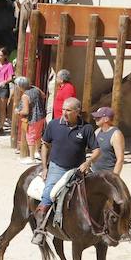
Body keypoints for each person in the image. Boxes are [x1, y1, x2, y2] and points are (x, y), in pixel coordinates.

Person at [33, 97, 94, 243]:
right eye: (63, 110)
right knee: (48, 194)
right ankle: (40, 228)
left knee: (94, 191)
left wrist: (89, 162)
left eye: (68, 110)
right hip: (57, 167)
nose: (64, 113)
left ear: (77, 112)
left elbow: (96, 149)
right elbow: (45, 145)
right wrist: (44, 167)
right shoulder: (53, 125)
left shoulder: (86, 128)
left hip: (78, 168)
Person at [14, 76, 47, 165]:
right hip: (41, 116)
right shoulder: (35, 89)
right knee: (38, 135)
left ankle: (32, 158)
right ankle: (37, 152)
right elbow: (43, 95)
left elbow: (26, 111)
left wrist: (18, 112)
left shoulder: (25, 96)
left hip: (33, 118)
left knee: (30, 137)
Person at [85, 106, 126, 176]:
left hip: (107, 175)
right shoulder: (97, 131)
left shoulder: (116, 134)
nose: (95, 119)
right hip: (94, 172)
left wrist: (114, 178)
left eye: (98, 117)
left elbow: (120, 159)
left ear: (106, 119)